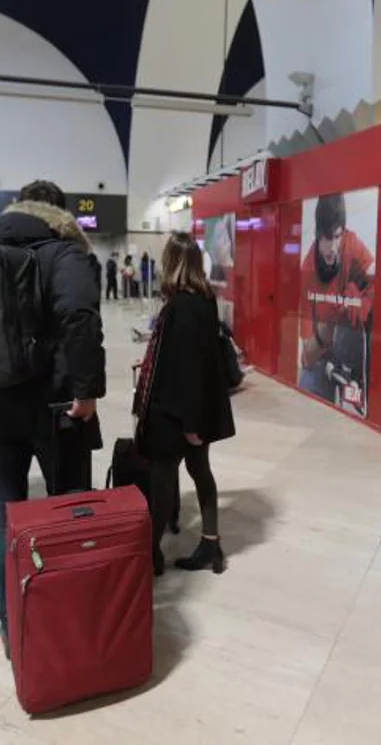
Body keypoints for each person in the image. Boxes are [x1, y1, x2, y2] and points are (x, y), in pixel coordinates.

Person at [0, 179, 105, 654]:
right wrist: (87, 390)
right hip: (58, 407)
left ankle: (14, 626)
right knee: (71, 510)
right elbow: (80, 320)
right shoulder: (64, 254)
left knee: (7, 519)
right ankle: (71, 621)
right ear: (60, 214)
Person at [135, 232, 235, 576]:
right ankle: (210, 543)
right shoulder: (203, 300)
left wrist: (191, 425)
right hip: (192, 409)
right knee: (199, 472)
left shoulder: (182, 306)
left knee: (162, 481)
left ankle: (150, 556)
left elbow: (190, 369)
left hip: (176, 412)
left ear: (171, 262)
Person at [298, 194, 375, 412]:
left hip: (352, 356)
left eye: (337, 236)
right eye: (326, 238)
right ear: (317, 235)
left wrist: (365, 300)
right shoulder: (307, 270)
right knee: (306, 388)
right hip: (322, 358)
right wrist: (328, 323)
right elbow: (307, 357)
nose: (332, 247)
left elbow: (379, 282)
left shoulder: (351, 244)